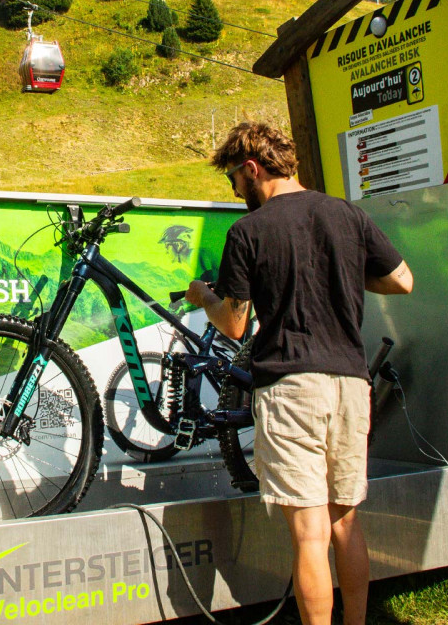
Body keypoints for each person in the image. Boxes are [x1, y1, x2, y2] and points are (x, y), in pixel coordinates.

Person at [185, 122, 412, 625]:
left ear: (251, 168)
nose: (235, 191)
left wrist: (203, 297)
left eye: (232, 181)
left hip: (291, 387)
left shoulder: (249, 231)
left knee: (310, 534)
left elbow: (237, 323)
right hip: (352, 385)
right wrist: (347, 271)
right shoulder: (347, 215)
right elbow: (403, 279)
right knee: (346, 522)